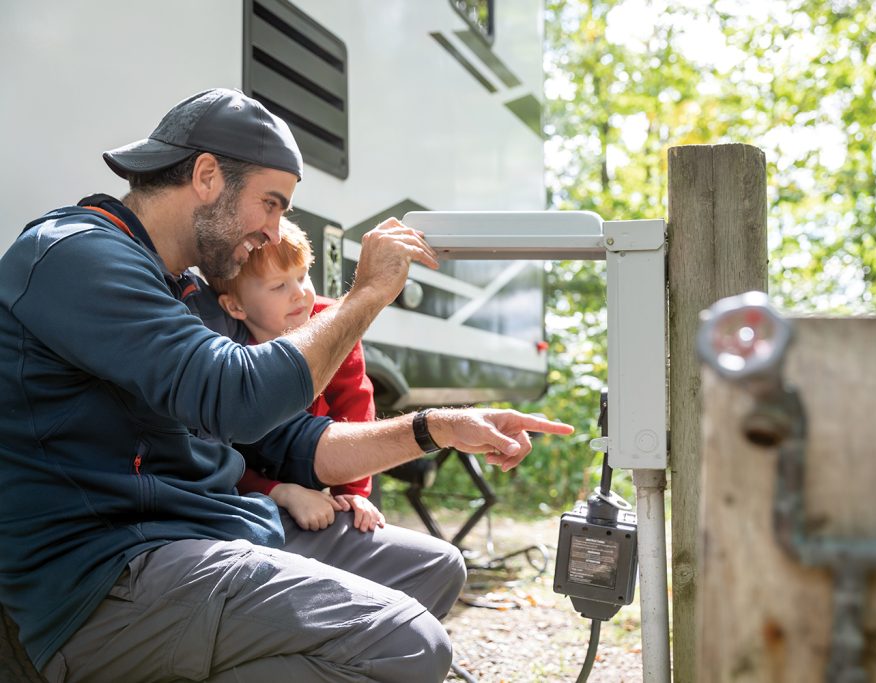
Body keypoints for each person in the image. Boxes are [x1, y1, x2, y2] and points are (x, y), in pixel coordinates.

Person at [0, 88, 573, 683]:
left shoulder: (182, 288)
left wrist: (438, 428)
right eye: (270, 205)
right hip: (112, 576)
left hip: (208, 535)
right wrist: (366, 296)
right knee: (409, 643)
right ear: (205, 176)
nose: (274, 233)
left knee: (433, 570)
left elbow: (289, 441)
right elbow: (236, 399)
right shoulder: (74, 255)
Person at [205, 216, 383, 533]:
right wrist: (279, 491)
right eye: (279, 286)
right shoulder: (228, 352)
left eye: (303, 276)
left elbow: (355, 405)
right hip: (248, 487)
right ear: (235, 307)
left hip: (318, 459)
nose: (299, 293)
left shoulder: (334, 325)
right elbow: (222, 452)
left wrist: (351, 492)